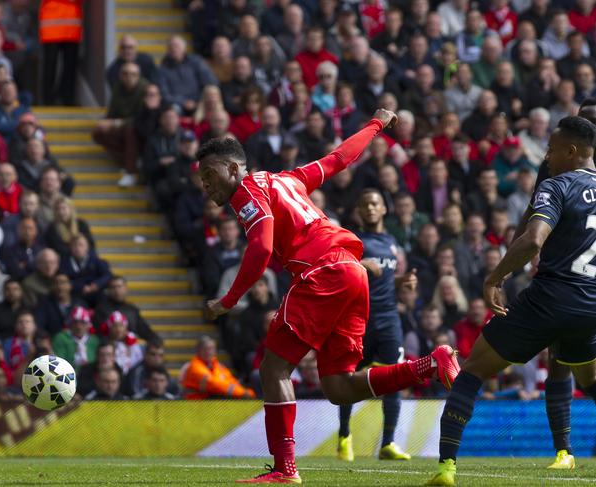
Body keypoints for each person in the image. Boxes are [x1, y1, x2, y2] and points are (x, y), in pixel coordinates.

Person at [198, 108, 460, 483]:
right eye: (202, 180)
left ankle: (285, 468)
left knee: (273, 368)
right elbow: (339, 159)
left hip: (321, 271)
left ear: (234, 168)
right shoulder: (287, 180)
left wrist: (228, 300)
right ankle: (431, 364)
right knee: (338, 387)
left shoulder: (247, 191)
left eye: (210, 175)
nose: (207, 186)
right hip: (352, 272)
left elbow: (261, 248)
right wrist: (375, 125)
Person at [426, 116, 596, 485]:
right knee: (590, 380)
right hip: (591, 308)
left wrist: (495, 276)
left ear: (572, 150)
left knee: (472, 371)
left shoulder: (557, 185)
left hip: (549, 299)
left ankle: (446, 468)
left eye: (551, 149)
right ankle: (563, 450)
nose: (546, 157)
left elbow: (534, 239)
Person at [337, 189, 416, 462]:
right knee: (349, 379)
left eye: (375, 204)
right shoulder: (352, 240)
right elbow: (335, 269)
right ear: (359, 210)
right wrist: (359, 264)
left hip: (389, 318)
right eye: (365, 204)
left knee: (393, 378)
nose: (370, 208)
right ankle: (344, 436)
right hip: (358, 318)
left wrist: (402, 281)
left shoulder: (392, 242)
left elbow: (383, 280)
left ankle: (388, 443)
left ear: (384, 209)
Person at [179, 335, 255, 399]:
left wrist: (245, 392)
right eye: (205, 349)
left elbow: (231, 381)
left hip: (211, 402)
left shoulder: (217, 365)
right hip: (195, 404)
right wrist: (242, 393)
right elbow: (214, 385)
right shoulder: (194, 367)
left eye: (212, 348)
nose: (209, 352)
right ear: (198, 351)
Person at [39, 0, 83, 105]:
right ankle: (48, 100)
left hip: (71, 29)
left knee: (70, 67)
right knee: (50, 67)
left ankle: (66, 99)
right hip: (52, 28)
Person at [93, 275, 157, 342]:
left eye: (119, 286)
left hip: (130, 348)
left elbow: (144, 330)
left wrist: (155, 341)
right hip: (108, 348)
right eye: (113, 287)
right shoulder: (101, 309)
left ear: (126, 288)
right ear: (108, 290)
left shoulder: (132, 310)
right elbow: (97, 333)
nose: (117, 290)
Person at [52, 306, 99, 372]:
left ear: (88, 325)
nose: (78, 326)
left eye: (82, 322)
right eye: (75, 322)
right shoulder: (61, 338)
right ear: (70, 323)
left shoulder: (94, 341)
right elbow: (59, 362)